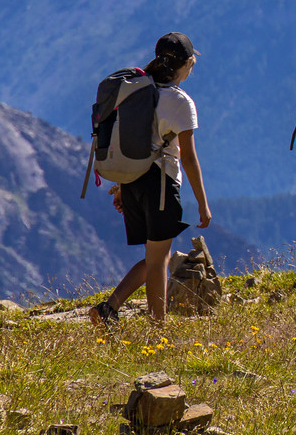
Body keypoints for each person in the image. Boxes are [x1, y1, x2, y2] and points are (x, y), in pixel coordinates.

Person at [89, 32, 213, 325]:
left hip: (133, 180)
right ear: (186, 63)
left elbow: (130, 141)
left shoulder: (136, 91)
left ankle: (109, 309)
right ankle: (158, 328)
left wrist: (122, 186)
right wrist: (203, 204)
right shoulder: (179, 101)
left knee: (156, 257)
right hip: (160, 184)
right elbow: (189, 158)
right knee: (158, 261)